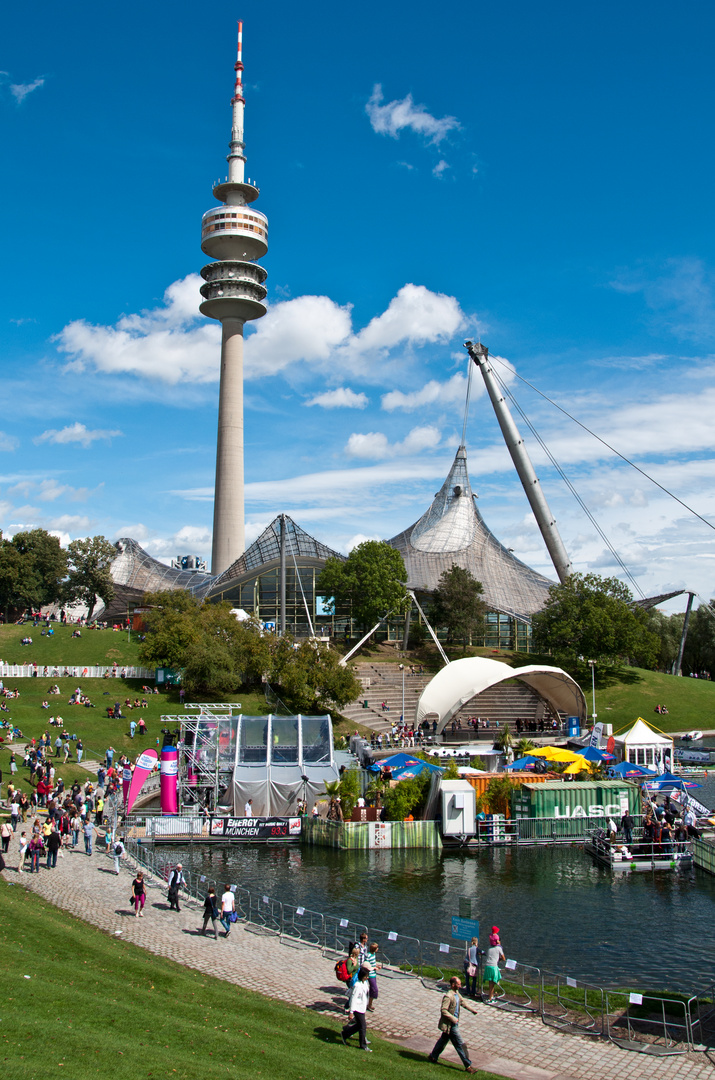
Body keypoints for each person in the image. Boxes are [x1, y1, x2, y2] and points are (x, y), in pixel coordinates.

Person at [428, 976, 477, 1072]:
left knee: (443, 1041)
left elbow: (463, 1002)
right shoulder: (448, 996)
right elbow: (443, 1010)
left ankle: (433, 1056)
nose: (460, 985)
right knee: (460, 1044)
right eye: (458, 984)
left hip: (453, 1024)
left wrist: (472, 1010)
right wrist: (453, 1019)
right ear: (453, 985)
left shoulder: (457, 994)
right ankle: (468, 1066)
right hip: (451, 1025)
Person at [341, 966, 372, 1052]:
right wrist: (351, 1012)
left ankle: (345, 1033)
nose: (367, 977)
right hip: (357, 1009)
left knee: (359, 1025)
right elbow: (354, 999)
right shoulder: (357, 986)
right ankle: (363, 1045)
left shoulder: (365, 983)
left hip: (362, 1008)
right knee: (363, 1026)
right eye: (366, 976)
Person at [483, 928, 505, 1003]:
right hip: (493, 966)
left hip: (487, 966)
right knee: (493, 983)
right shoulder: (499, 948)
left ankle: (491, 996)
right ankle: (490, 998)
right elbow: (503, 958)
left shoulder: (489, 948)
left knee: (490, 983)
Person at [365, 942, 381, 1011]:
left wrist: (376, 966)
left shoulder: (373, 954)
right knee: (374, 989)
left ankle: (370, 1004)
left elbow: (373, 963)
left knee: (372, 989)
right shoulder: (368, 955)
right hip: (370, 974)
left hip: (373, 974)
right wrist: (373, 968)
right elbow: (366, 964)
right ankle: (368, 1003)